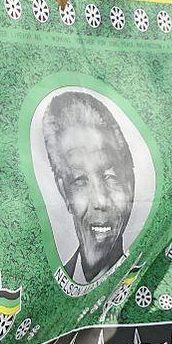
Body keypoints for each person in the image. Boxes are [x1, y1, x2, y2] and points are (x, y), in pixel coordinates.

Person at [41, 90, 135, 283]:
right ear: (64, 191)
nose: (100, 200)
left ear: (130, 184)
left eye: (111, 176)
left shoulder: (148, 275)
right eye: (80, 180)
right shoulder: (49, 292)